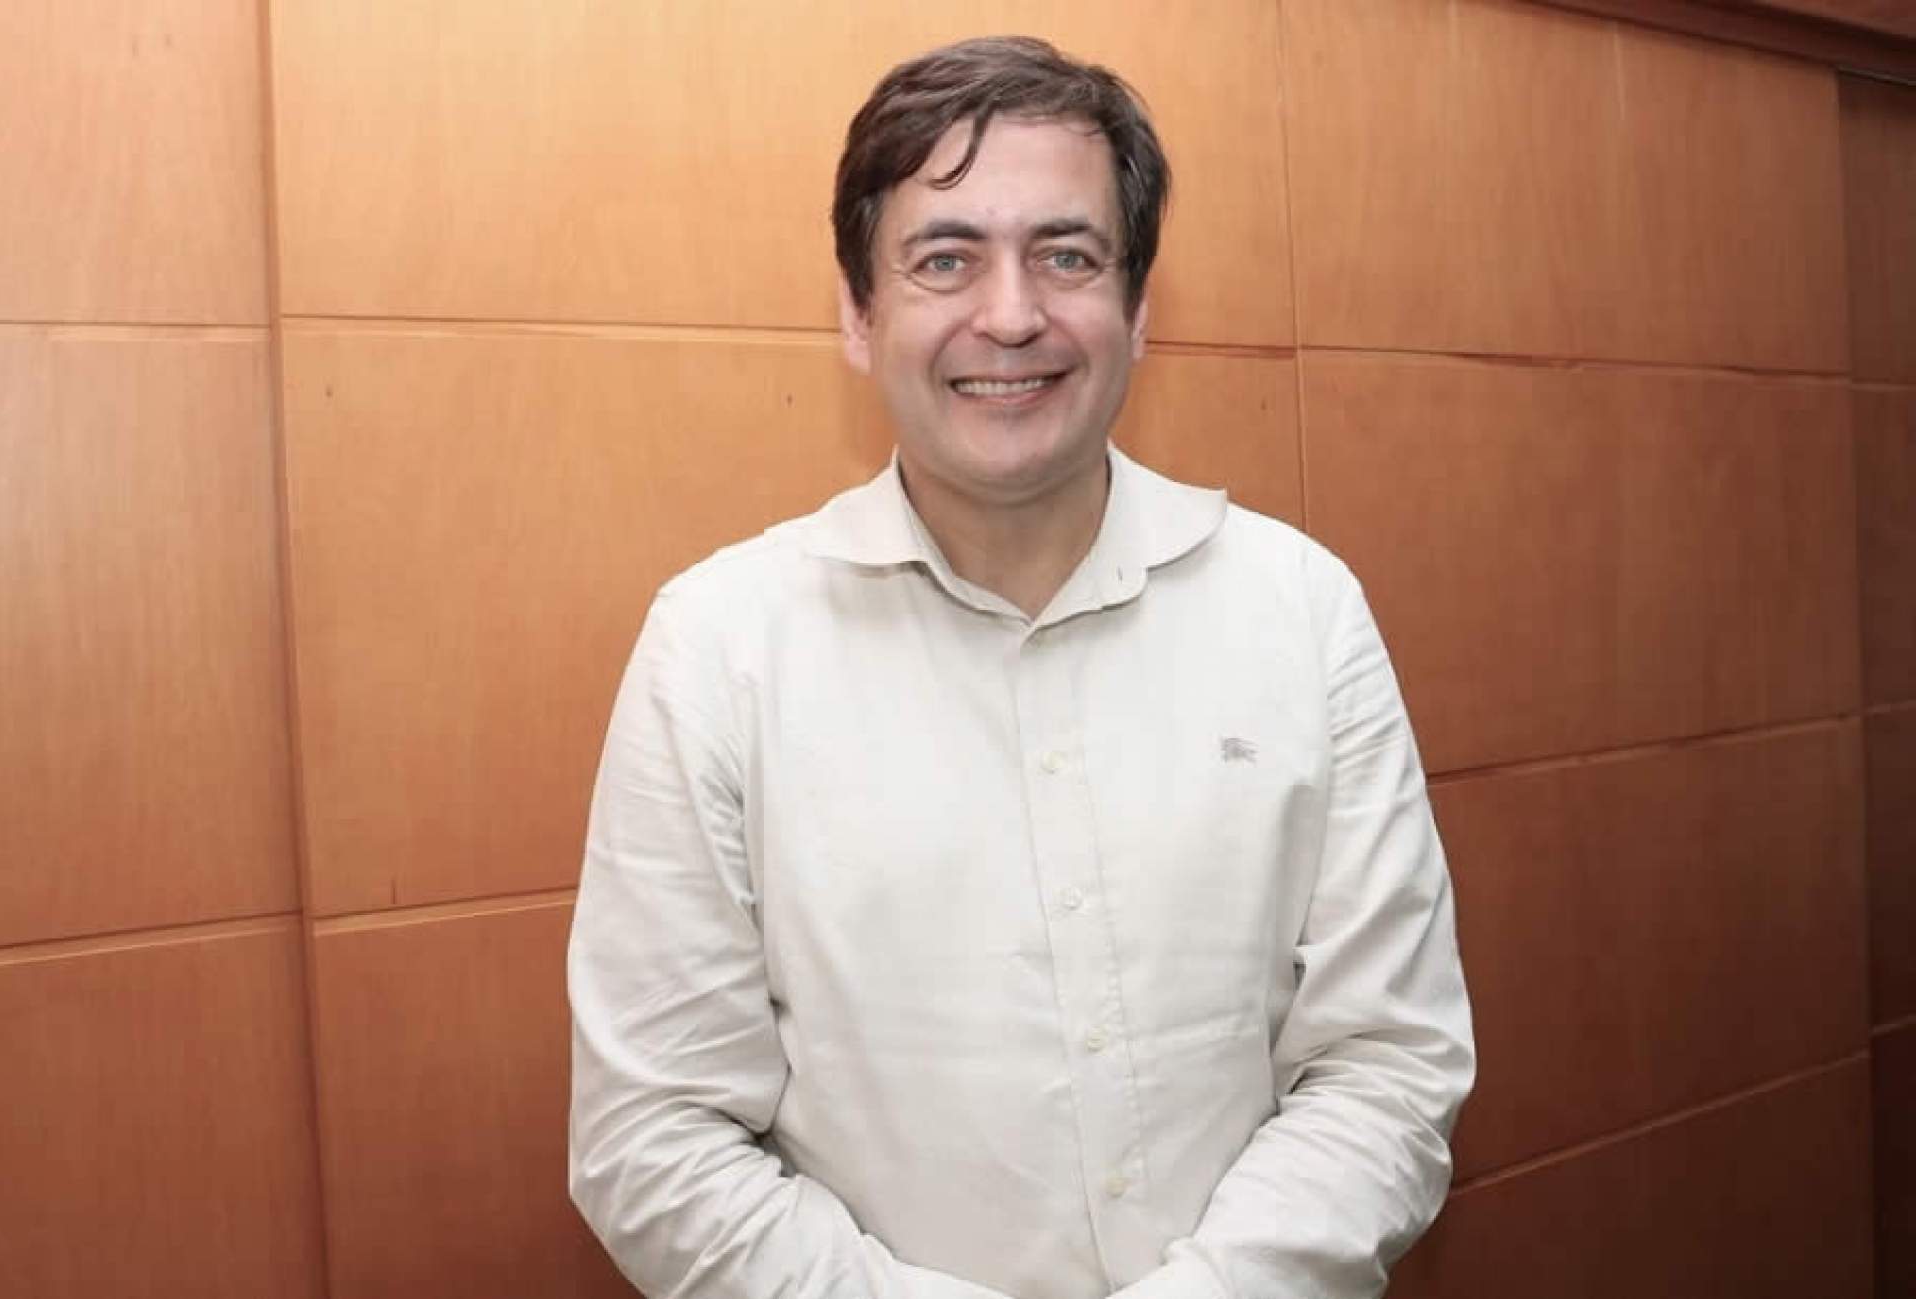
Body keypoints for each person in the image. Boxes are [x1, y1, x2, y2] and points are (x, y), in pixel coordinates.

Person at [568, 35, 1474, 1299]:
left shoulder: (1301, 609)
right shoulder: (720, 647)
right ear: (858, 314)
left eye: (1068, 255)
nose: (1010, 315)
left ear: (1138, 309)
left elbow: (1387, 1063)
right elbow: (653, 1140)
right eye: (945, 259)